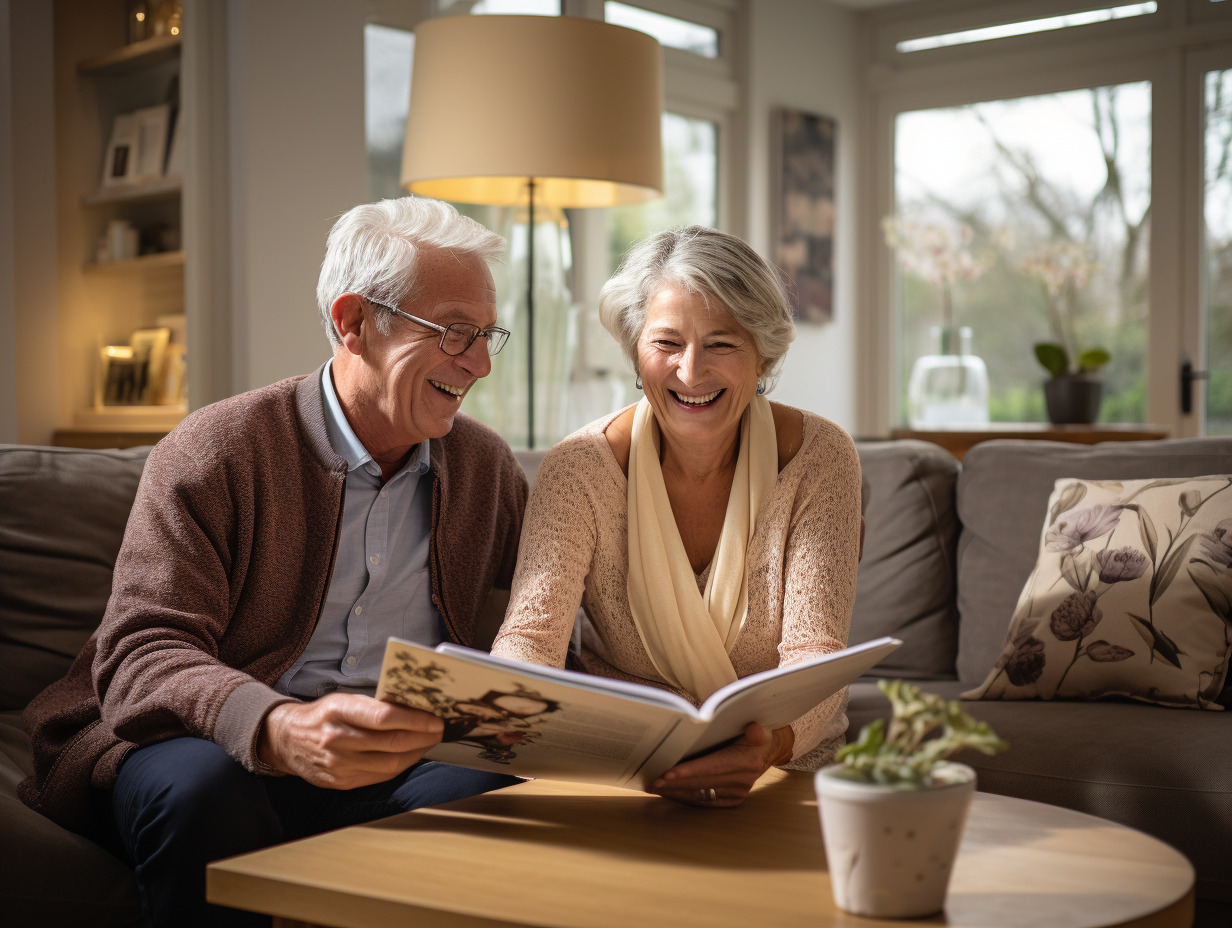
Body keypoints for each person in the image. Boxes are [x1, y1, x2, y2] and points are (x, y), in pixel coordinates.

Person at [19, 197, 529, 927]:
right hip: (205, 739)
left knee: (490, 796)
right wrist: (279, 728)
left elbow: (558, 610)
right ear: (354, 322)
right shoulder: (215, 452)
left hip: (397, 753)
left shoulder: (483, 466)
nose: (477, 363)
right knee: (204, 794)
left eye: (485, 335)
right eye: (453, 332)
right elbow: (142, 651)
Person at [490, 226, 862, 808]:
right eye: (667, 343)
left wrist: (767, 748)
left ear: (762, 352)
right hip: (621, 767)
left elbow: (816, 654)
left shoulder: (820, 457)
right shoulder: (578, 469)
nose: (691, 372)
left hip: (782, 766)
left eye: (721, 344)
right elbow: (529, 642)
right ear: (635, 350)